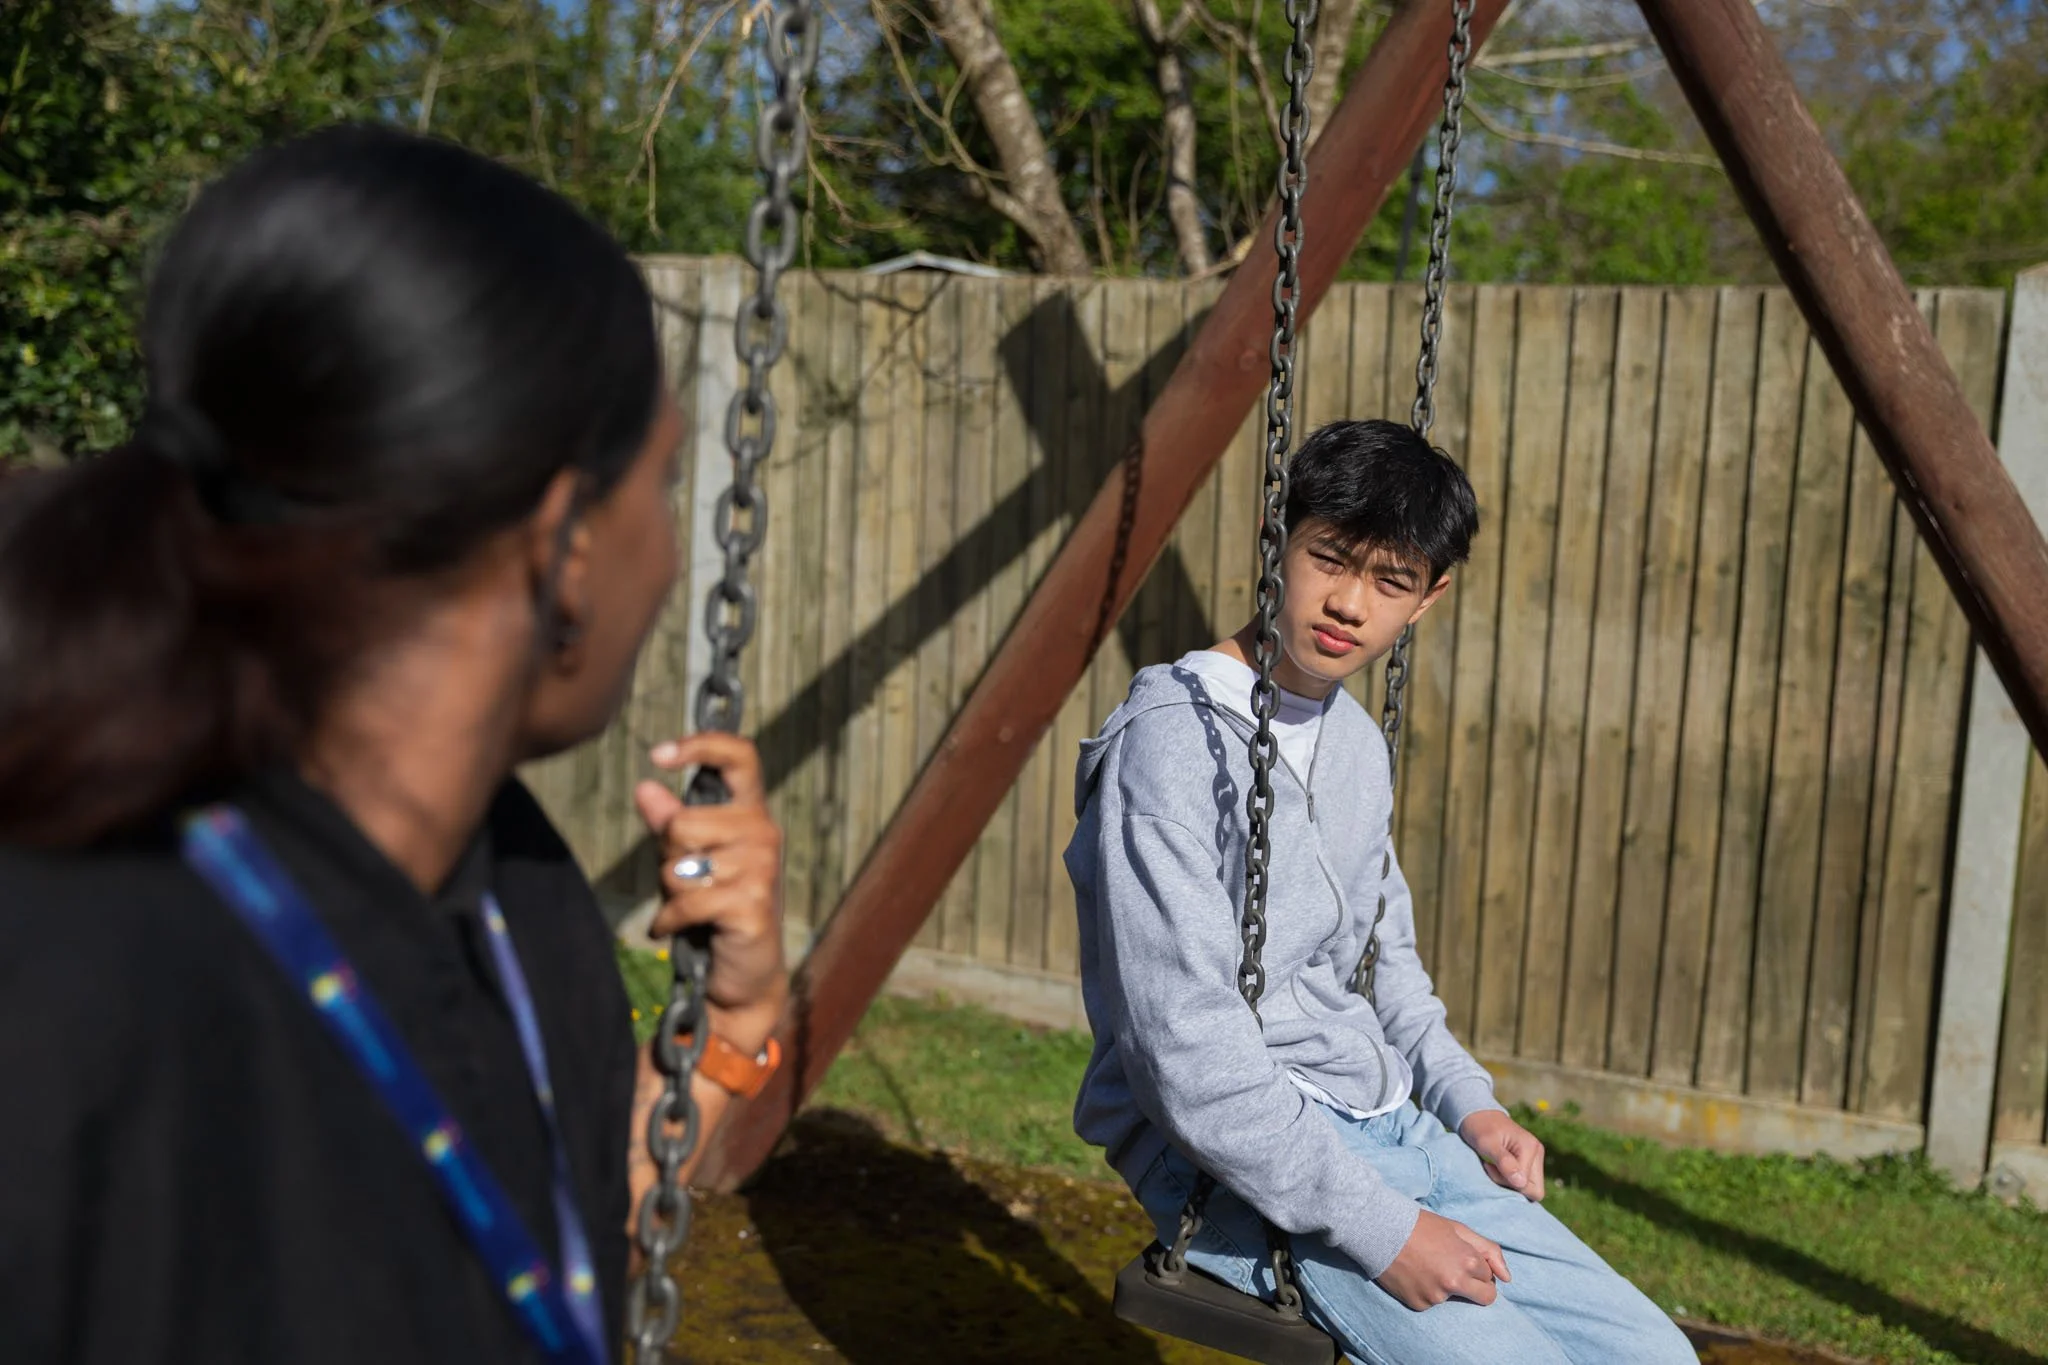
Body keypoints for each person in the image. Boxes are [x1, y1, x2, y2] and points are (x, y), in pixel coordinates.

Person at [0, 125, 787, 1364]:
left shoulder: (516, 889)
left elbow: (526, 1250)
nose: (673, 548)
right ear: (564, 538)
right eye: (661, 480)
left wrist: (731, 1028)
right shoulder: (75, 983)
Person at [1065, 420, 1695, 1363]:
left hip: (1392, 1126)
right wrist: (1387, 1231)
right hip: (1233, 1161)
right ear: (1282, 539)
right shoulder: (1169, 742)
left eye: (1391, 582)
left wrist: (1470, 1105)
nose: (1349, 604)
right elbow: (1184, 1048)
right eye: (1330, 559)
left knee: (1656, 1356)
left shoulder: (1354, 743)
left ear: (1429, 598)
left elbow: (1381, 962)